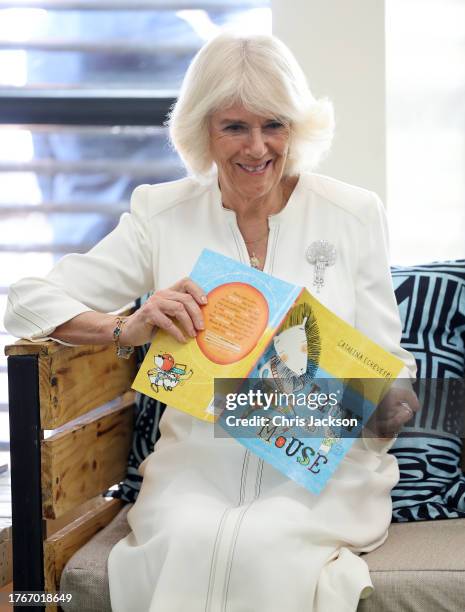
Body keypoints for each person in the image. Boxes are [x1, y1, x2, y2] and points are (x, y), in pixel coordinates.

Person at [4, 32, 419, 612]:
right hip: (195, 467)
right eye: (234, 127)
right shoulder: (161, 213)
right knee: (190, 539)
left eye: (274, 124)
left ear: (297, 128)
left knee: (266, 545)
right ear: (202, 131)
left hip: (319, 473)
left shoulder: (352, 214)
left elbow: (393, 372)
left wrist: (376, 400)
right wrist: (129, 328)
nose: (257, 147)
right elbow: (25, 301)